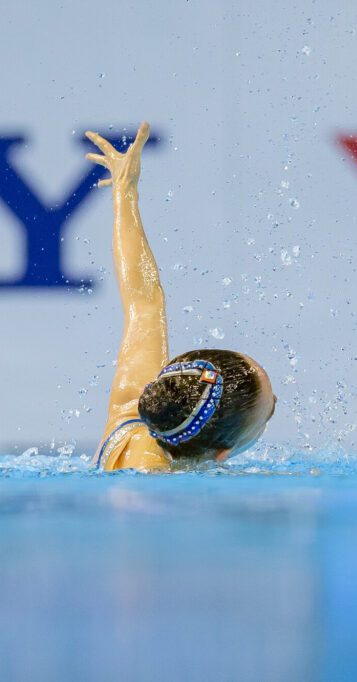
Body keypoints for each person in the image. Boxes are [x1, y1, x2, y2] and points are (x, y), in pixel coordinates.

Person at [87, 122, 276, 471]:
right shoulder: (156, 482)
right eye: (270, 412)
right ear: (222, 453)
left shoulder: (129, 418)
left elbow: (145, 300)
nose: (274, 402)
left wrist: (125, 192)